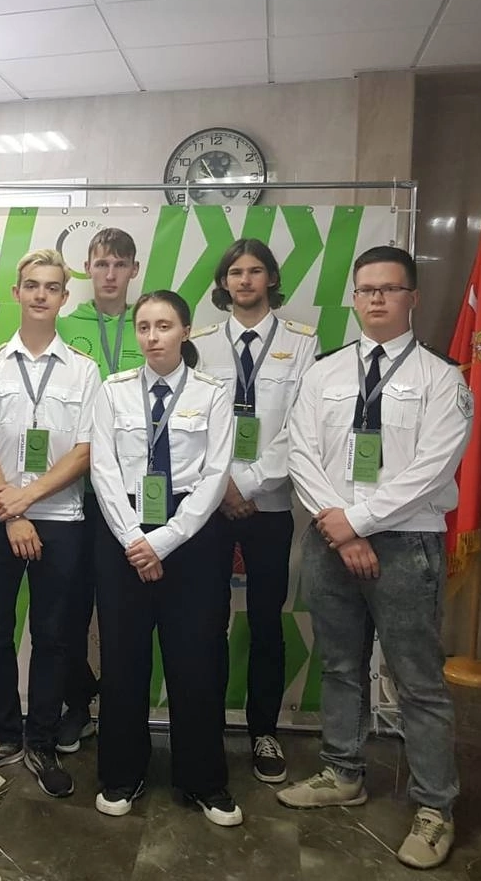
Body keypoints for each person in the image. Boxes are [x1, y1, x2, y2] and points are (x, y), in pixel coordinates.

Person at [279, 245, 470, 870]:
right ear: (354, 298)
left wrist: (358, 522)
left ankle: (434, 807)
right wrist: (341, 529)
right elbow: (301, 453)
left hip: (406, 544)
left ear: (412, 297)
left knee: (418, 681)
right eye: (366, 289)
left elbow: (433, 467)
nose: (377, 298)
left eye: (389, 288)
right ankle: (342, 771)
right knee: (340, 665)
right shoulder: (324, 374)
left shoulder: (442, 378)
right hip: (331, 541)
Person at [90, 290, 242, 827]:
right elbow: (104, 469)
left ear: (185, 331)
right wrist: (136, 538)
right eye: (144, 327)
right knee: (123, 660)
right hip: (124, 532)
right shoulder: (112, 391)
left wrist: (166, 540)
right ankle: (121, 774)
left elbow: (216, 473)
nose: (153, 337)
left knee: (196, 661)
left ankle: (204, 781)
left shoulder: (212, 393)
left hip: (192, 536)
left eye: (164, 326)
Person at [0, 249, 99, 797]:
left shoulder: (84, 371)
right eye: (32, 285)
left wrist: (27, 501)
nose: (41, 294)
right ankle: (3, 734)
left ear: (64, 297)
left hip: (61, 521)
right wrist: (10, 511)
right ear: (16, 293)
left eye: (52, 287)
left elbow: (85, 450)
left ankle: (40, 740)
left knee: (54, 637)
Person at [192, 238, 317, 783]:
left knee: (267, 622)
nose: (244, 280)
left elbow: (301, 427)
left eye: (255, 271)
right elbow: (192, 423)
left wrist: (247, 483)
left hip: (269, 503)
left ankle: (264, 730)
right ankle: (207, 727)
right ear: (223, 283)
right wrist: (223, 487)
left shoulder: (302, 343)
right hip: (210, 505)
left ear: (271, 279)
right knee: (207, 621)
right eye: (235, 272)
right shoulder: (199, 343)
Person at [54, 227, 143, 753]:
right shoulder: (65, 325)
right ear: (86, 269)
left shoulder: (150, 324)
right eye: (101, 264)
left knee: (121, 611)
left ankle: (119, 708)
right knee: (68, 609)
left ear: (133, 270)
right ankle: (76, 705)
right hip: (74, 493)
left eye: (119, 264)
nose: (110, 274)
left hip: (132, 497)